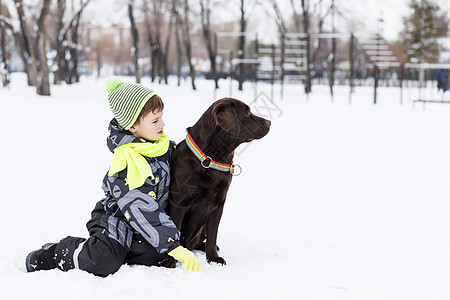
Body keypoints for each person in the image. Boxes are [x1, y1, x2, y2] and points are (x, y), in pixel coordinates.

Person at [25, 77, 200, 277]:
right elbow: (138, 204)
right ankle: (57, 253)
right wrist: (171, 244)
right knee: (104, 261)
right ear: (133, 127)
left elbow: (189, 162)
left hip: (143, 223)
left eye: (161, 117)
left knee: (155, 255)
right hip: (117, 219)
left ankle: (124, 249)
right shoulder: (126, 162)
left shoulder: (164, 146)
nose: (163, 123)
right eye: (155, 120)